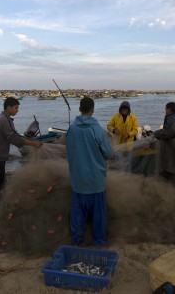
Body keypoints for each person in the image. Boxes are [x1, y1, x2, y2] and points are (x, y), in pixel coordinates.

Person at [66, 97, 113, 246]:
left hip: (78, 181)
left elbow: (68, 151)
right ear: (93, 110)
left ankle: (77, 241)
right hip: (95, 181)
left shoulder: (71, 129)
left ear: (79, 109)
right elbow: (108, 153)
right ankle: (99, 242)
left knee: (77, 215)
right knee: (98, 216)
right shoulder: (97, 130)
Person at [0, 97, 42, 209]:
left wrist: (24, 143)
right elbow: (14, 139)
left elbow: (14, 136)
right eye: (16, 108)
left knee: (0, 184)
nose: (17, 110)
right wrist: (33, 144)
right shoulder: (3, 120)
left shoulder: (4, 118)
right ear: (8, 107)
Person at [153, 102, 175, 191]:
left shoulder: (171, 118)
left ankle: (173, 189)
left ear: (169, 109)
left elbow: (170, 131)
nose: (165, 110)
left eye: (166, 109)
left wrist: (156, 133)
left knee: (171, 165)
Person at [107, 101, 139, 171]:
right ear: (120, 109)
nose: (124, 110)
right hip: (118, 144)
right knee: (118, 163)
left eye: (126, 109)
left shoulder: (133, 117)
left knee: (128, 163)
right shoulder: (116, 116)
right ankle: (119, 177)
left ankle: (127, 177)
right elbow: (109, 126)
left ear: (128, 110)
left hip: (128, 145)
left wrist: (129, 134)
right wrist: (114, 130)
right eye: (123, 109)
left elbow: (136, 130)